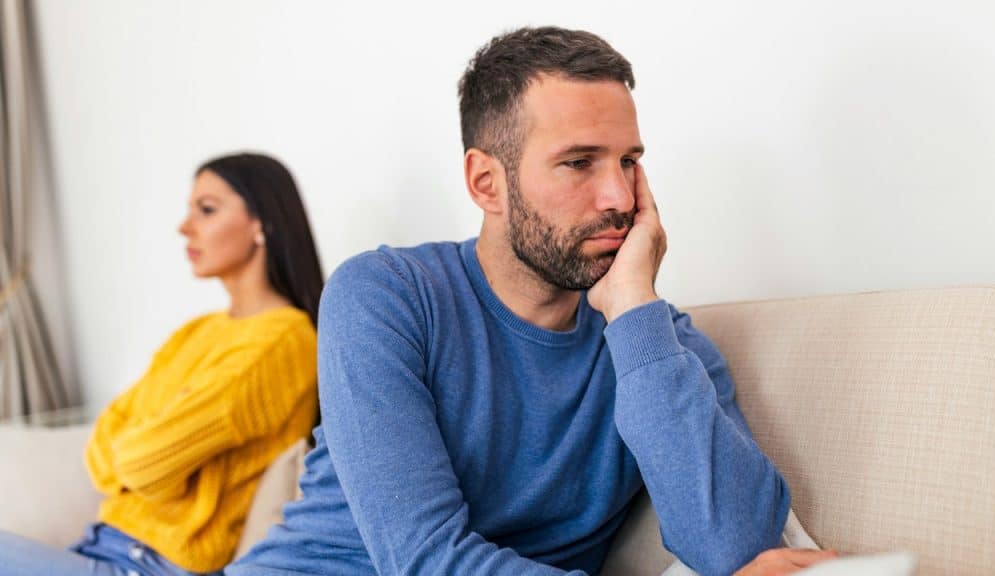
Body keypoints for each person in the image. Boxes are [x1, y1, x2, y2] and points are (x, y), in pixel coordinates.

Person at [230, 28, 836, 576]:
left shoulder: (656, 343)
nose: (618, 197)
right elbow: (422, 561)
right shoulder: (385, 295)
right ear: (486, 183)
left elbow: (739, 550)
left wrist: (632, 311)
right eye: (579, 163)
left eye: (629, 163)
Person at [0, 153, 324, 576]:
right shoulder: (196, 333)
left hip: (150, 565)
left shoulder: (285, 340)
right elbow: (102, 444)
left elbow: (142, 464)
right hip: (98, 547)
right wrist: (147, 449)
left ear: (260, 222)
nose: (184, 227)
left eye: (206, 210)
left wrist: (144, 446)